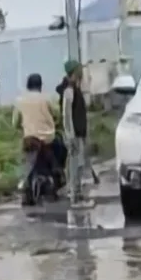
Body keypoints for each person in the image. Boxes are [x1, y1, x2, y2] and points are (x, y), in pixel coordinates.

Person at [13, 73, 65, 188]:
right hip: (47, 139)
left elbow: (15, 122)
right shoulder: (47, 98)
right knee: (61, 149)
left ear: (28, 85)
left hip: (29, 139)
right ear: (40, 85)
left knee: (25, 159)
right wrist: (55, 123)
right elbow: (57, 114)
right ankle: (58, 173)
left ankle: (24, 181)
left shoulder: (19, 100)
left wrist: (22, 128)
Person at [58, 60, 93, 208]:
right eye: (79, 70)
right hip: (74, 135)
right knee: (75, 166)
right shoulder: (69, 90)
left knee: (78, 165)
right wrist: (70, 136)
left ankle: (77, 194)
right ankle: (76, 197)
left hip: (79, 134)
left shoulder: (75, 88)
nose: (82, 72)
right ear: (74, 72)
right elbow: (66, 116)